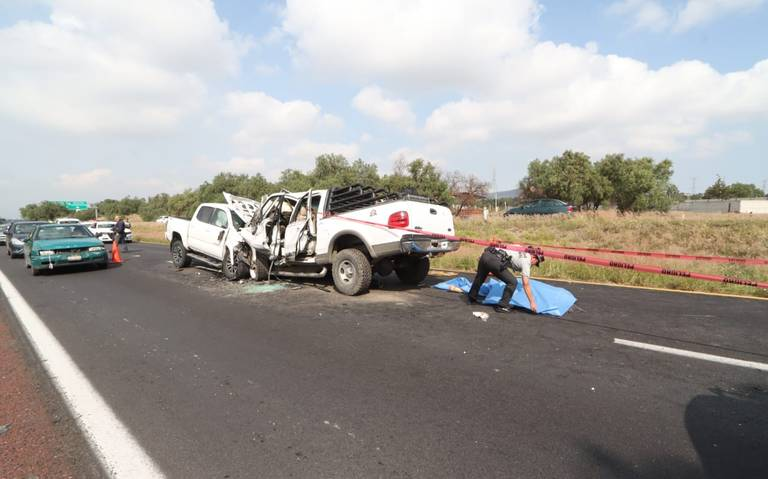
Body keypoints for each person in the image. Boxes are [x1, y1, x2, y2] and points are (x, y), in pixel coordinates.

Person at [467, 245, 544, 313]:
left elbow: (503, 248)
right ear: (534, 258)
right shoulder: (527, 262)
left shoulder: (520, 249)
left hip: (486, 254)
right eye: (536, 263)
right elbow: (526, 284)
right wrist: (532, 302)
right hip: (494, 260)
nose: (534, 265)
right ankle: (502, 306)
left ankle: (471, 298)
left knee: (480, 277)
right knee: (513, 282)